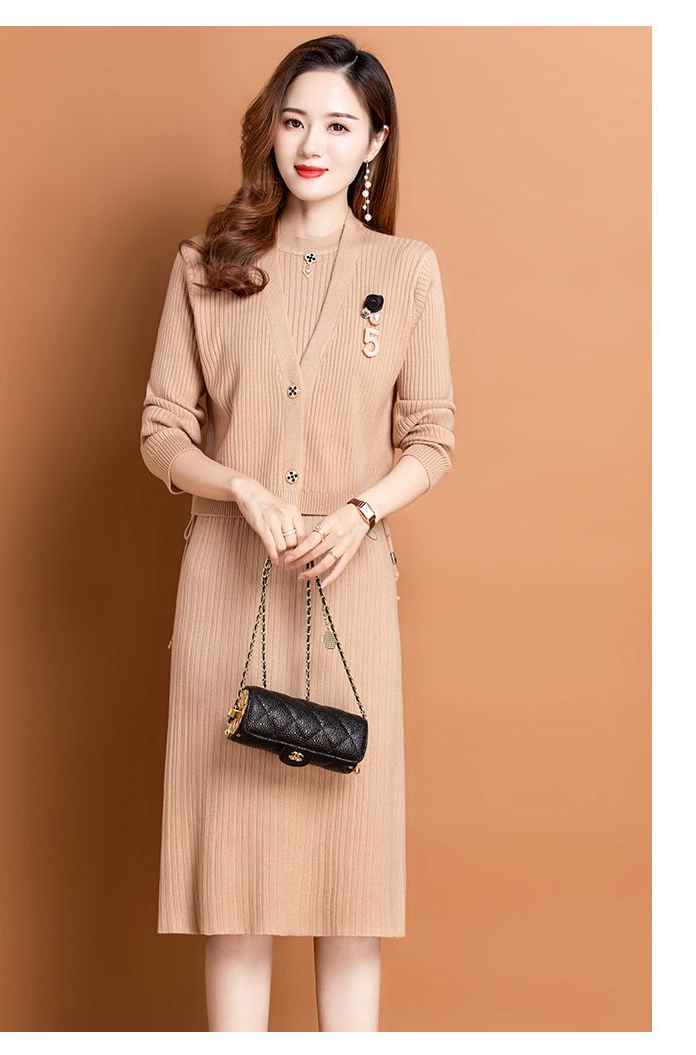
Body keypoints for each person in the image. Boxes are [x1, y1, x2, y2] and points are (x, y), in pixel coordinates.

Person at [139, 34, 456, 1031]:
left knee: (349, 900)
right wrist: (238, 486)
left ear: (375, 142)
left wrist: (361, 510)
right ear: (270, 131)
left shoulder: (405, 270)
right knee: (234, 904)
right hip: (225, 587)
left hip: (347, 592)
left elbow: (433, 436)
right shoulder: (206, 266)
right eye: (294, 119)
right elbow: (161, 431)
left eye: (338, 124)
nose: (312, 144)